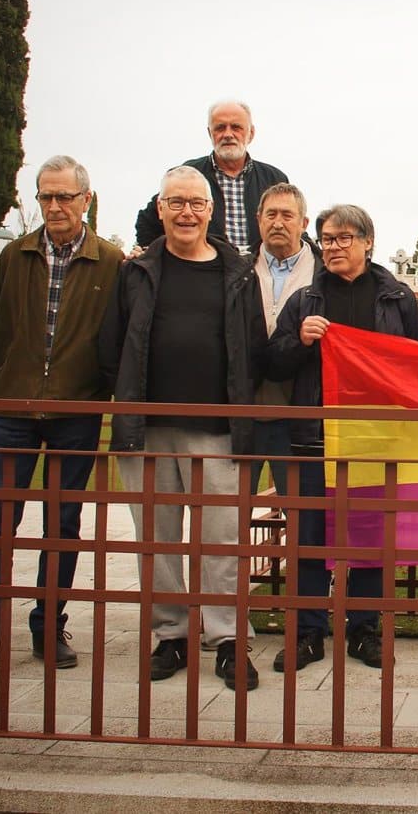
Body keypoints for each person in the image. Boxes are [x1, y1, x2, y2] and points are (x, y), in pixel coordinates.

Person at [0, 156, 123, 679]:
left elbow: (112, 336)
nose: (56, 206)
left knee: (62, 526)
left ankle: (48, 624)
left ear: (86, 199)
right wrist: (11, 385)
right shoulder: (14, 258)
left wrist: (89, 392)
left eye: (65, 196)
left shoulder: (108, 262)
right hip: (15, 411)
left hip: (76, 411)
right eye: (46, 197)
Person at [100, 165, 266, 691]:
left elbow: (254, 349)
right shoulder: (137, 272)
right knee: (158, 539)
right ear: (161, 209)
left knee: (222, 540)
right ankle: (170, 634)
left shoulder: (238, 273)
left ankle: (226, 639)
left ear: (211, 210)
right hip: (148, 431)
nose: (186, 212)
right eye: (176, 203)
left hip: (218, 430)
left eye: (196, 203)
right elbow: (112, 347)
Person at [267, 204, 418, 669]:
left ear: (367, 241)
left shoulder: (396, 297)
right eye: (327, 239)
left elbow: (415, 361)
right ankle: (308, 632)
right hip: (316, 438)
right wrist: (300, 339)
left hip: (376, 439)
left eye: (343, 238)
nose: (333, 247)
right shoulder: (305, 301)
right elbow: (273, 363)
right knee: (309, 539)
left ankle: (365, 630)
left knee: (372, 540)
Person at [247, 183, 328, 673]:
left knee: (304, 527)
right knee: (223, 522)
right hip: (237, 412)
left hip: (297, 417)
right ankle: (220, 622)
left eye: (288, 214)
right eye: (270, 213)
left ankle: (308, 626)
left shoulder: (323, 276)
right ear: (259, 220)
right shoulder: (234, 271)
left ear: (304, 222)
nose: (279, 222)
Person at [133, 99, 287, 253]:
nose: (228, 134)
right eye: (220, 128)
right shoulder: (188, 176)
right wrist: (154, 259)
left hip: (259, 271)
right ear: (210, 133)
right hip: (204, 272)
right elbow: (148, 223)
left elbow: (294, 228)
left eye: (236, 127)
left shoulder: (273, 179)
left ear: (251, 133)